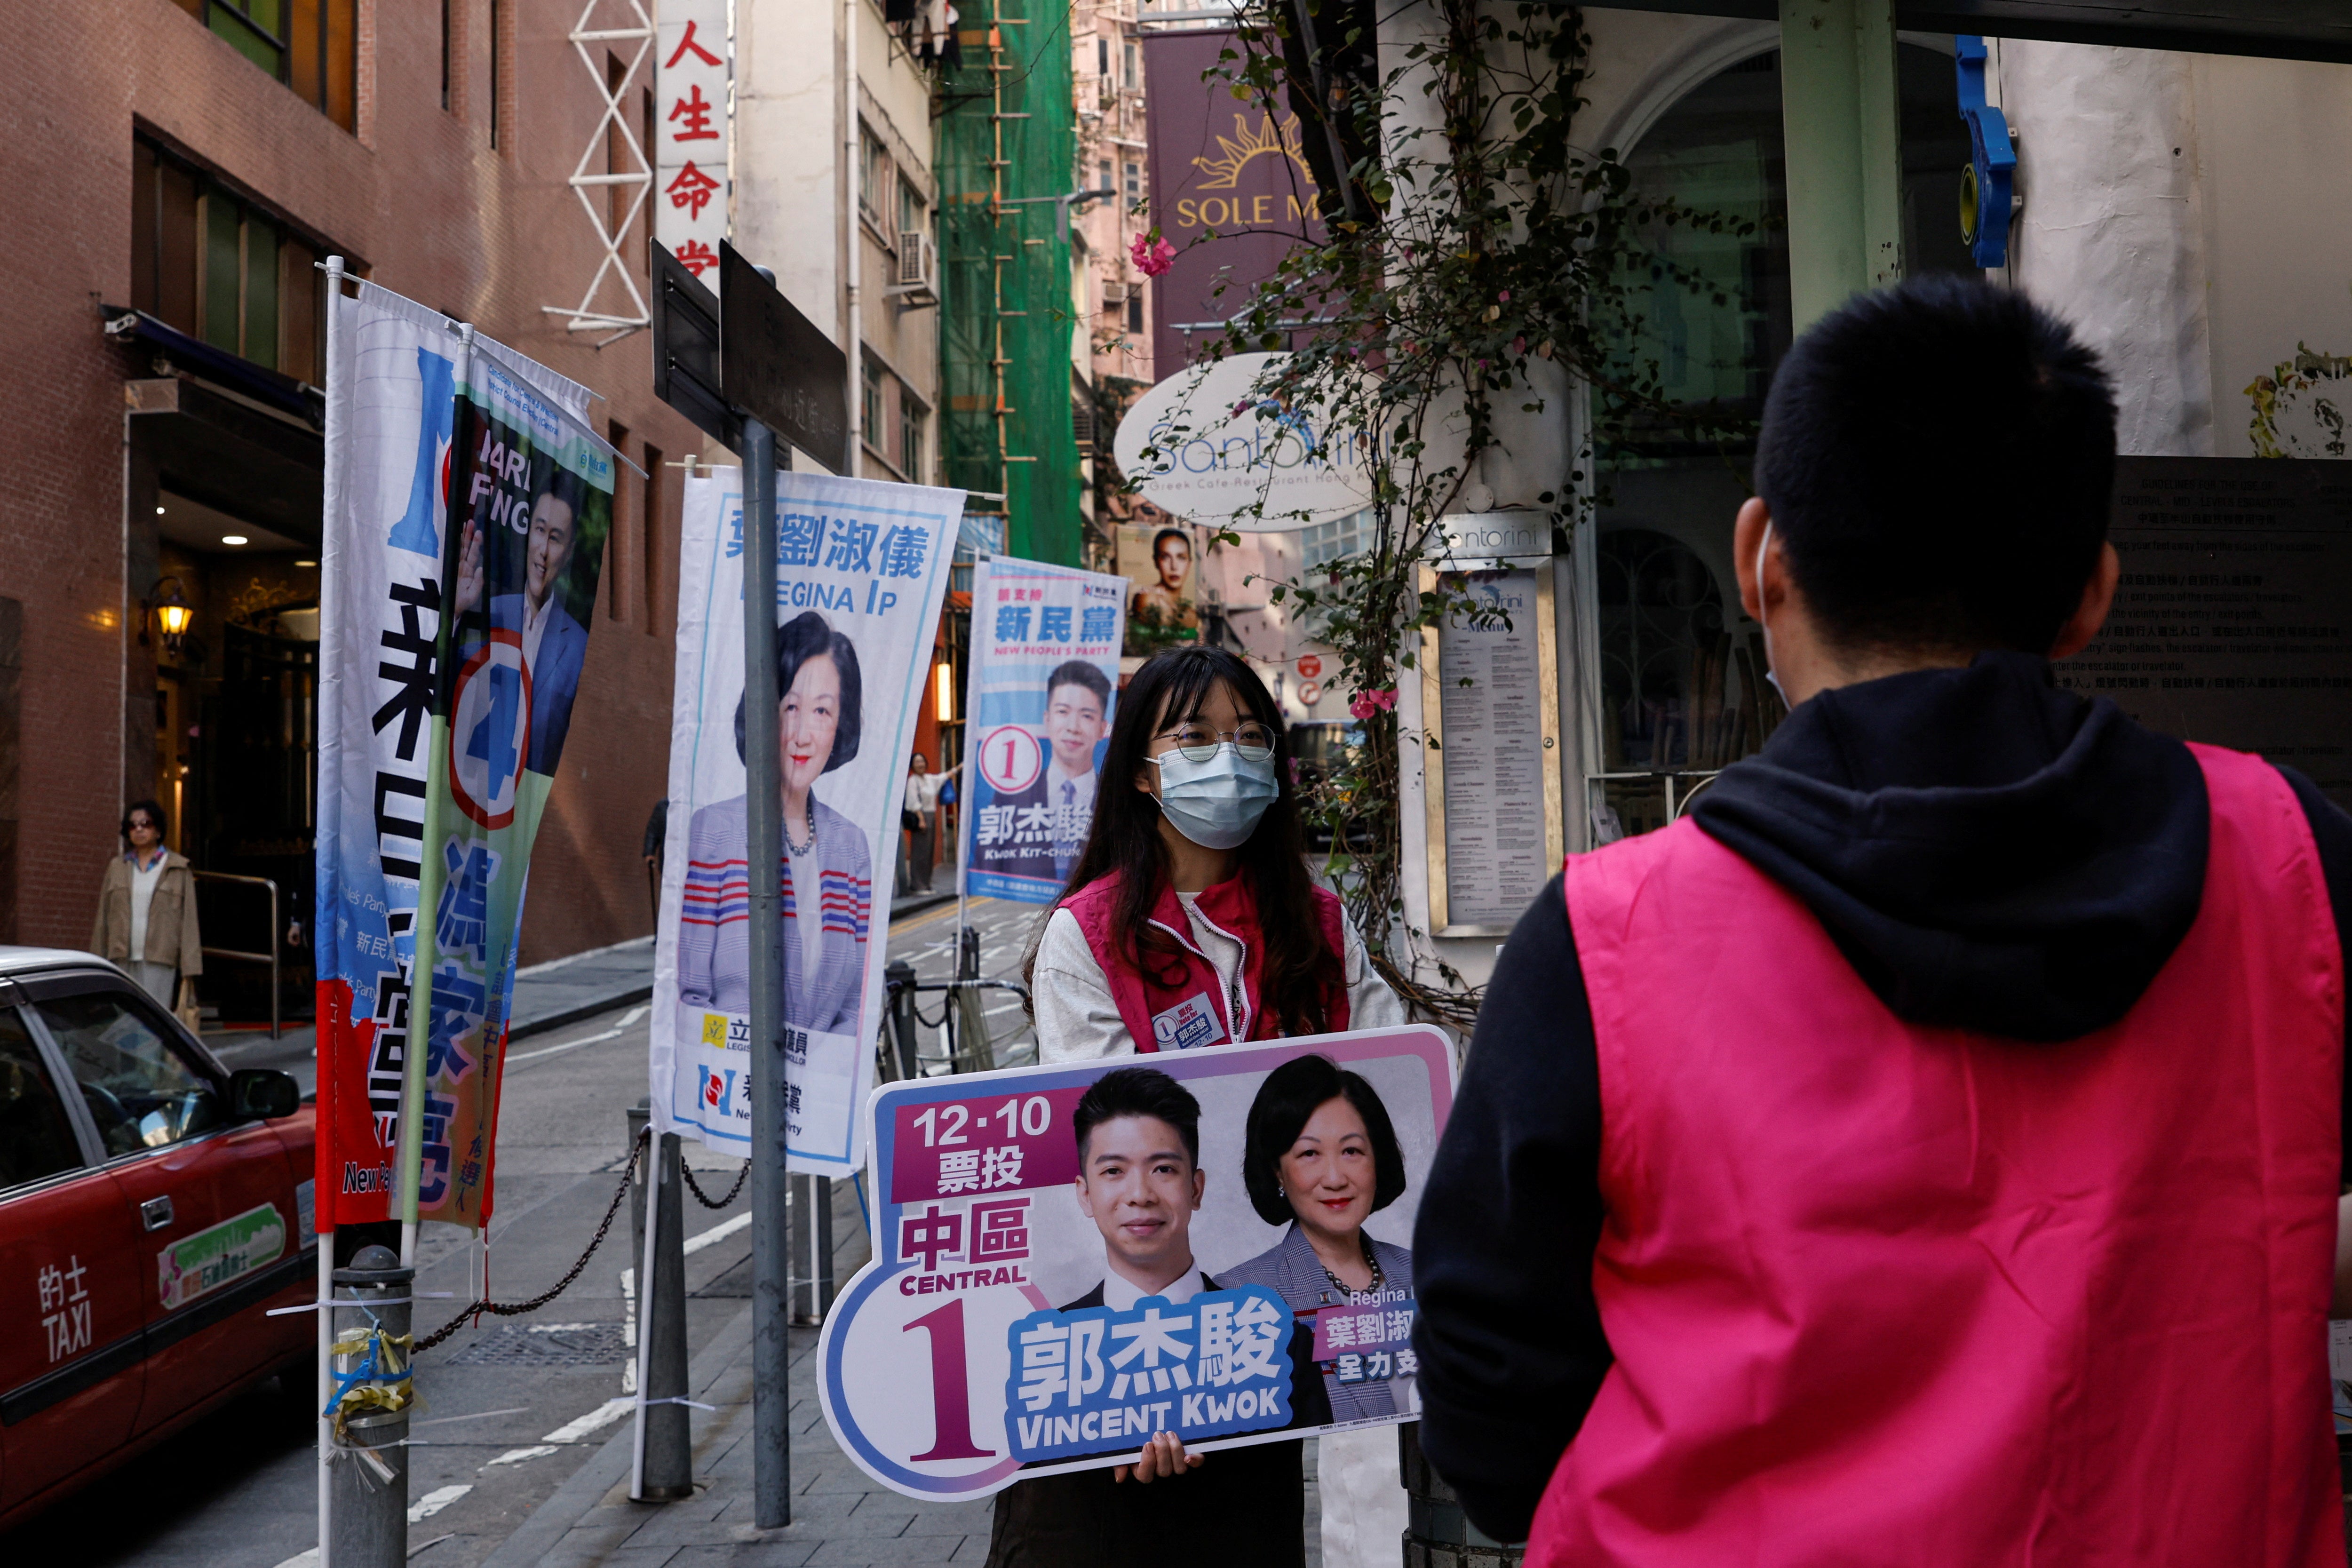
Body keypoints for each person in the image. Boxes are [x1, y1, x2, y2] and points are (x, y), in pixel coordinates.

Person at [1412, 276, 2352, 1564]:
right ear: (2091, 593)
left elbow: (1490, 1394)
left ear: (1761, 562)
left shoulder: (1605, 938)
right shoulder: (2293, 863)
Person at [1016, 643, 1408, 1567]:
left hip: (1290, 1342)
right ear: (1144, 770)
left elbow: (1396, 1085)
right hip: (1140, 1360)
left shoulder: (1316, 921)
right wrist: (1158, 1373)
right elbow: (1116, 1166)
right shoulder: (1087, 935)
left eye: (1248, 737)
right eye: (1195, 737)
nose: (1227, 759)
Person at [984, 1065, 1326, 1568]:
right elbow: (1025, 1538)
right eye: (1113, 1171)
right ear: (1084, 1193)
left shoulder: (1277, 1340)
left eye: (1163, 1169)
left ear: (1196, 1187)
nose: (1139, 1193)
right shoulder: (1043, 1351)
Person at [1219, 1054, 1416, 1568]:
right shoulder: (1237, 1298)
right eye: (1309, 1155)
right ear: (1276, 1172)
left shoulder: (1426, 1278)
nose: (1335, 1177)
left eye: (1352, 1151)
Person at [677, 611, 872, 1036]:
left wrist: (818, 1075)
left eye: (822, 710)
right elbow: (690, 996)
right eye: (791, 707)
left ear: (840, 725)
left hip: (821, 1092)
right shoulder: (715, 831)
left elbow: (858, 1004)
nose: (803, 733)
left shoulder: (852, 846)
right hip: (728, 1088)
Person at [452, 470, 589, 775]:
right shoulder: (491, 612)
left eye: (555, 538)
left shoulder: (580, 648)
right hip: (469, 788)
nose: (543, 551)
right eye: (540, 531)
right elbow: (447, 683)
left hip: (529, 812)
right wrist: (456, 615)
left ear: (568, 551)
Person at [985, 661, 1113, 886]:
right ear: (1047, 719)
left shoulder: (1116, 797)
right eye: (1063, 712)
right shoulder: (1012, 796)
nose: (1073, 726)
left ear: (1102, 728)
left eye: (1087, 716)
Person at [91, 799, 202, 1012]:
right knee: (124, 1020)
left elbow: (189, 921)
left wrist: (190, 969)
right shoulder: (118, 867)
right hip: (121, 957)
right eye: (133, 825)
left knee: (154, 1019)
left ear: (158, 830)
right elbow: (103, 918)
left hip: (160, 958)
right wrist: (98, 961)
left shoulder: (178, 868)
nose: (139, 829)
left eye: (146, 824)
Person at [1128, 527, 1198, 635]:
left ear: (1190, 563)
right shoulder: (1148, 598)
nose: (1174, 566)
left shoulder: (1190, 613)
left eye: (1181, 558)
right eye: (1165, 557)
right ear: (1156, 561)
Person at [901, 752, 949, 895]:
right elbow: (913, 802)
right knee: (920, 853)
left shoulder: (929, 779)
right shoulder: (913, 781)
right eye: (917, 762)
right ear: (912, 766)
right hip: (920, 817)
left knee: (929, 853)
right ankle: (917, 885)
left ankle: (926, 884)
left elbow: (944, 777)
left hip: (931, 816)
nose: (920, 764)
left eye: (922, 761)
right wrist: (922, 820)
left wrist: (959, 767)